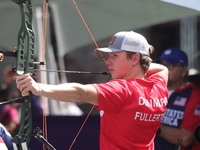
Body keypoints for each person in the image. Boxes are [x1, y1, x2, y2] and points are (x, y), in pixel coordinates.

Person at [14, 31, 168, 150]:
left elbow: (81, 92)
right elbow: (163, 69)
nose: (108, 61)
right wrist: (140, 70)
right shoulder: (158, 86)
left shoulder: (122, 90)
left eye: (115, 55)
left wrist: (39, 88)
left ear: (135, 59)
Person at [154, 48, 200, 150]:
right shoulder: (154, 90)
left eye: (170, 65)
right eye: (162, 65)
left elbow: (186, 138)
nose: (164, 69)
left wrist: (152, 125)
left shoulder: (194, 95)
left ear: (184, 71)